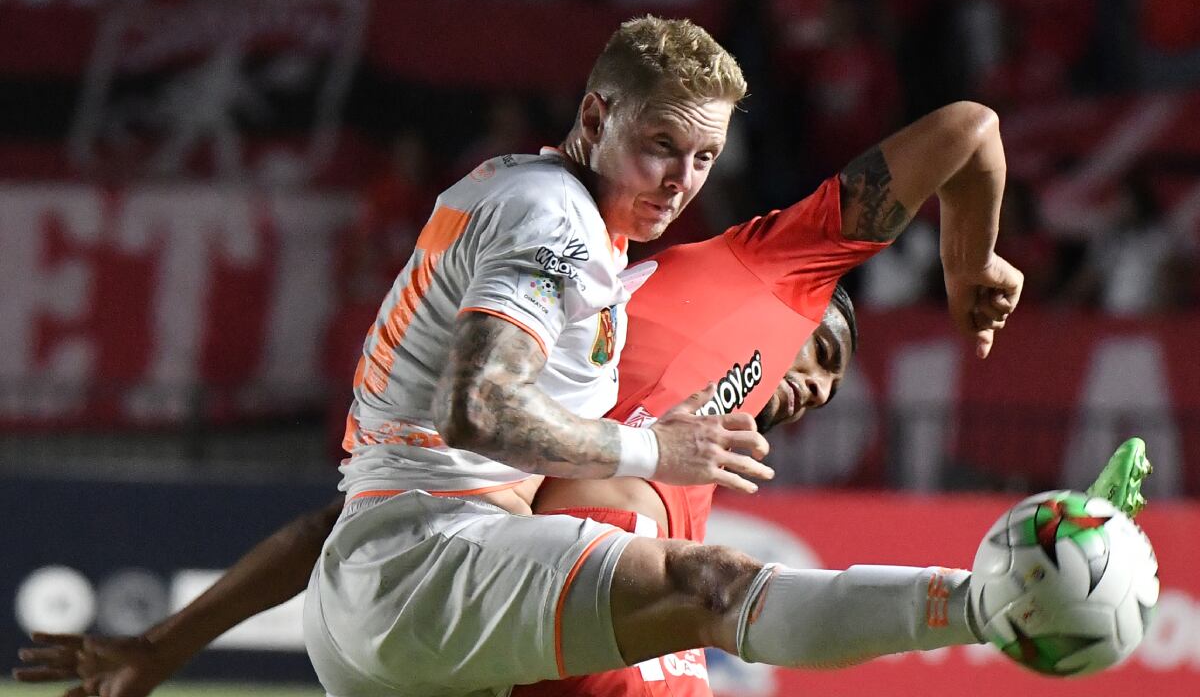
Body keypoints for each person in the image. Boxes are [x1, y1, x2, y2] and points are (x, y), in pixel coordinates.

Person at [18, 90, 1042, 697]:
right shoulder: (776, 266)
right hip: (538, 605)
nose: (816, 389)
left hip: (540, 610)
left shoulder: (616, 392)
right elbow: (970, 128)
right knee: (723, 590)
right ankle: (979, 602)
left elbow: (349, 524)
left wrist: (162, 646)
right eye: (826, 360)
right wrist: (971, 265)